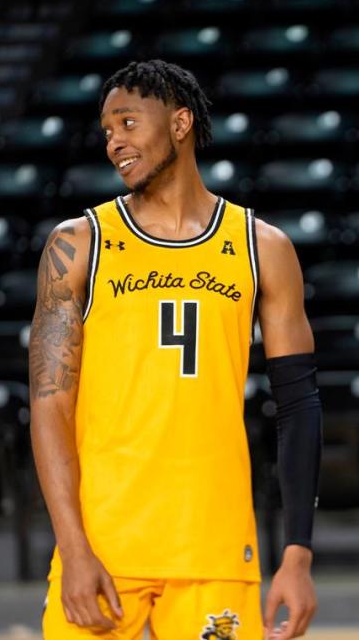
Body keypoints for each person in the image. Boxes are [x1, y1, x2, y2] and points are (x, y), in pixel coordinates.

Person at [29, 59, 322, 640]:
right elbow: (49, 407)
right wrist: (73, 546)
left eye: (129, 123)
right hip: (105, 548)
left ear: (181, 123)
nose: (115, 142)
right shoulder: (78, 245)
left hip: (213, 546)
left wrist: (297, 555)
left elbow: (298, 407)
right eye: (107, 130)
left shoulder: (262, 248)